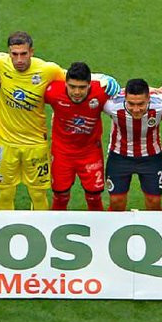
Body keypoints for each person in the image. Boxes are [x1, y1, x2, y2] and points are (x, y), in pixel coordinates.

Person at [0, 31, 64, 210]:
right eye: (14, 54)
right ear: (9, 53)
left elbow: (74, 79)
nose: (19, 60)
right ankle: (4, 230)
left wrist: (104, 81)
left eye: (23, 54)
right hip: (6, 144)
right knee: (5, 193)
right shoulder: (2, 62)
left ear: (31, 52)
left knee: (38, 194)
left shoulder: (48, 70)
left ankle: (39, 231)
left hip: (35, 145)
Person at [43, 62, 115, 211]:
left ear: (90, 84)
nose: (76, 92)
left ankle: (99, 231)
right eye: (72, 86)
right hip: (62, 152)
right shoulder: (52, 91)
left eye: (82, 87)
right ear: (65, 84)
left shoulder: (102, 92)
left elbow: (131, 98)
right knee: (60, 196)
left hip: (90, 152)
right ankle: (54, 229)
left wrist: (157, 91)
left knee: (94, 197)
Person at [102, 78, 162, 211]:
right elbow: (93, 89)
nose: (136, 109)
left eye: (141, 104)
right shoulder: (111, 106)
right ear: (125, 98)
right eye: (131, 104)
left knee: (154, 202)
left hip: (151, 157)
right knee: (116, 201)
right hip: (119, 156)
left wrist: (158, 89)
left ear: (148, 99)